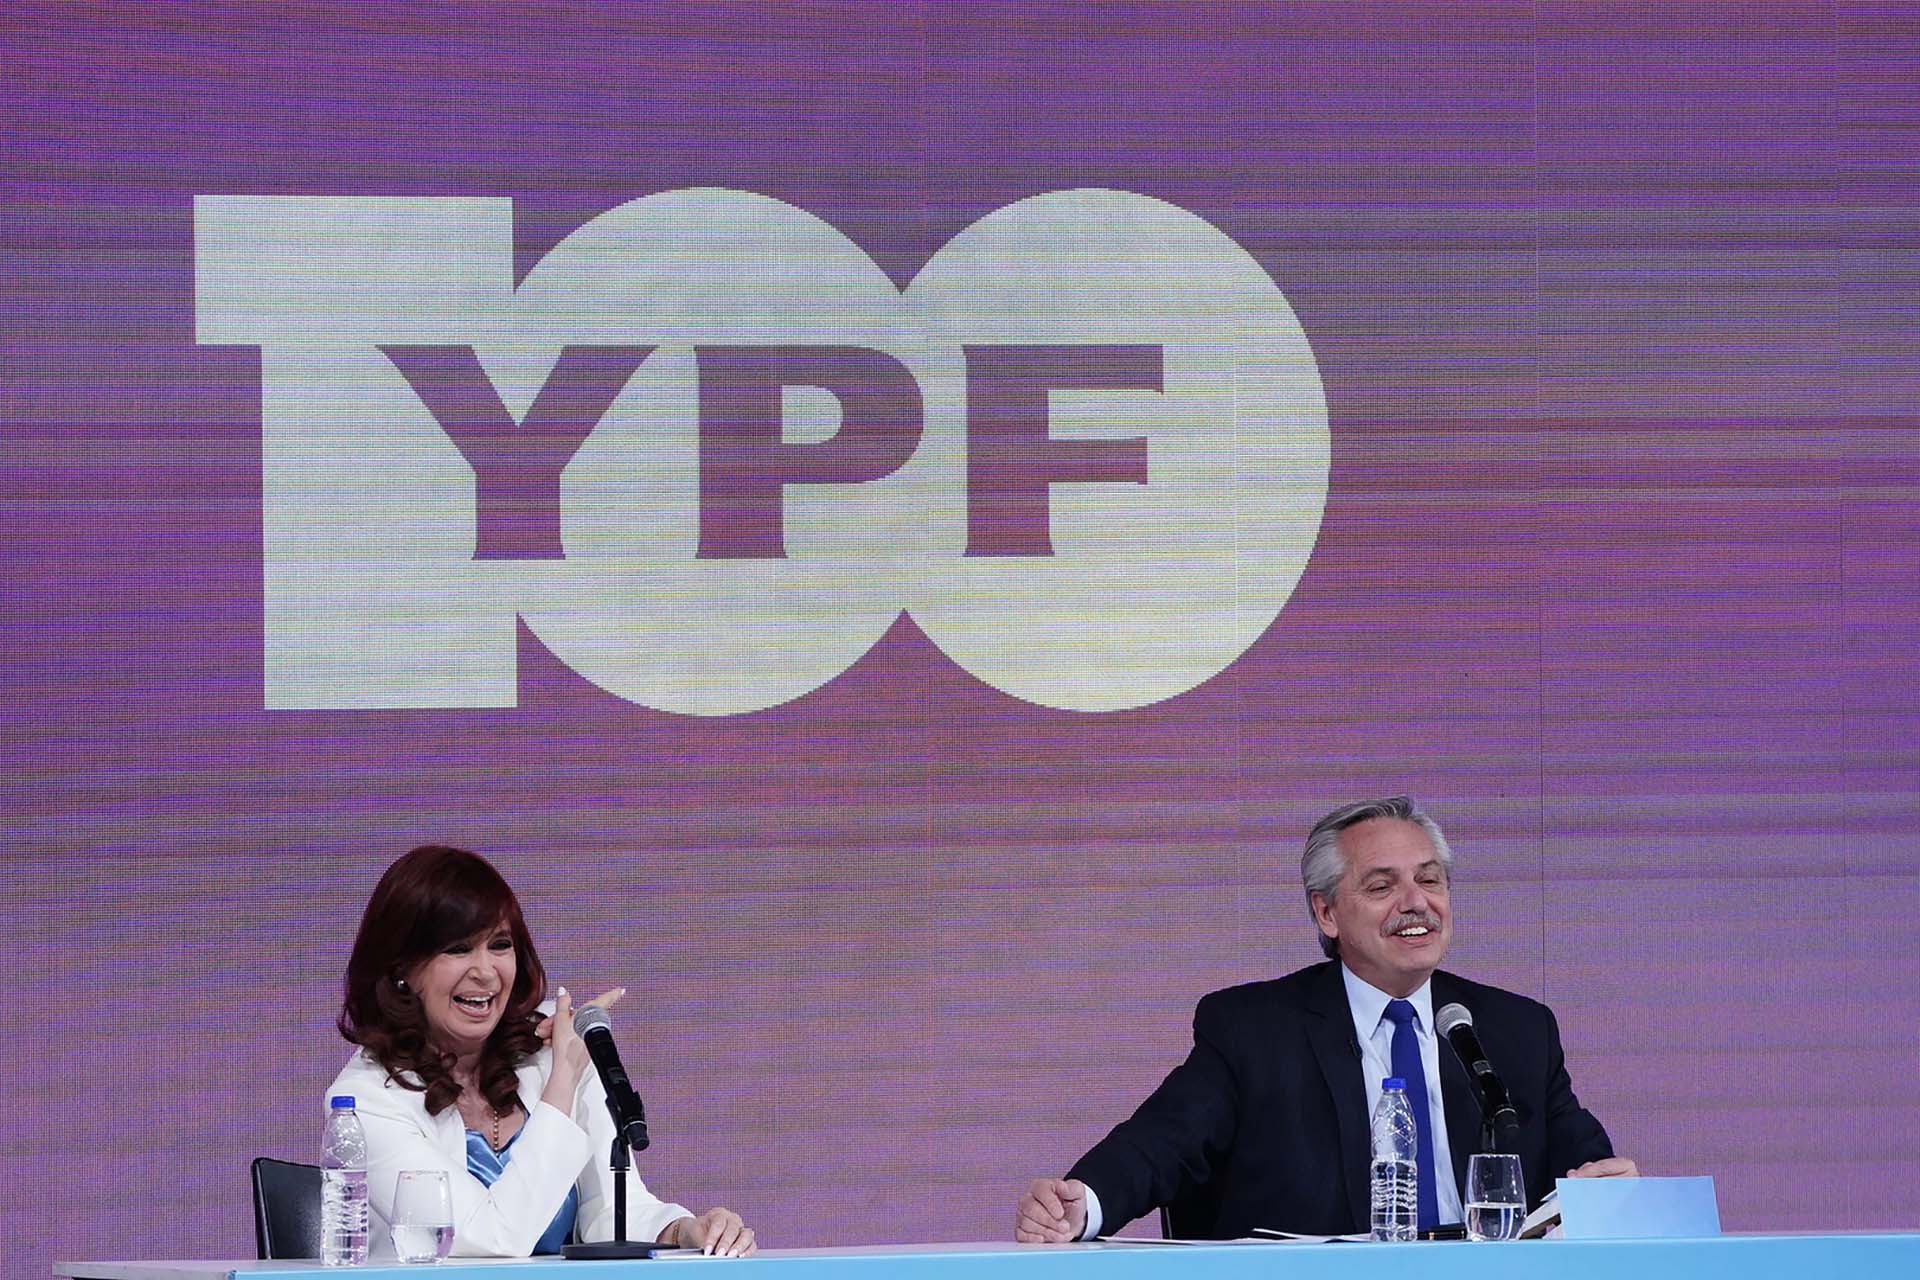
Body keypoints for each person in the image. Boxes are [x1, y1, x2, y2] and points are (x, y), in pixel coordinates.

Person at [1014, 796, 1637, 1242]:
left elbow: (1585, 1167)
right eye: (1381, 886)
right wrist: (1082, 1204)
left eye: (1430, 880)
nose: (1416, 902)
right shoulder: (1253, 1028)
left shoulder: (1515, 1029)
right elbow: (1162, 1144)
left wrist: (1607, 1192)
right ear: (1327, 914)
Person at [329, 845, 756, 1258]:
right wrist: (563, 1081)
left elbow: (609, 1212)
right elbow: (491, 1238)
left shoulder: (548, 1049)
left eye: (499, 944)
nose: (485, 972)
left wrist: (685, 1230)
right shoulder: (367, 1101)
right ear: (402, 970)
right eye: (457, 949)